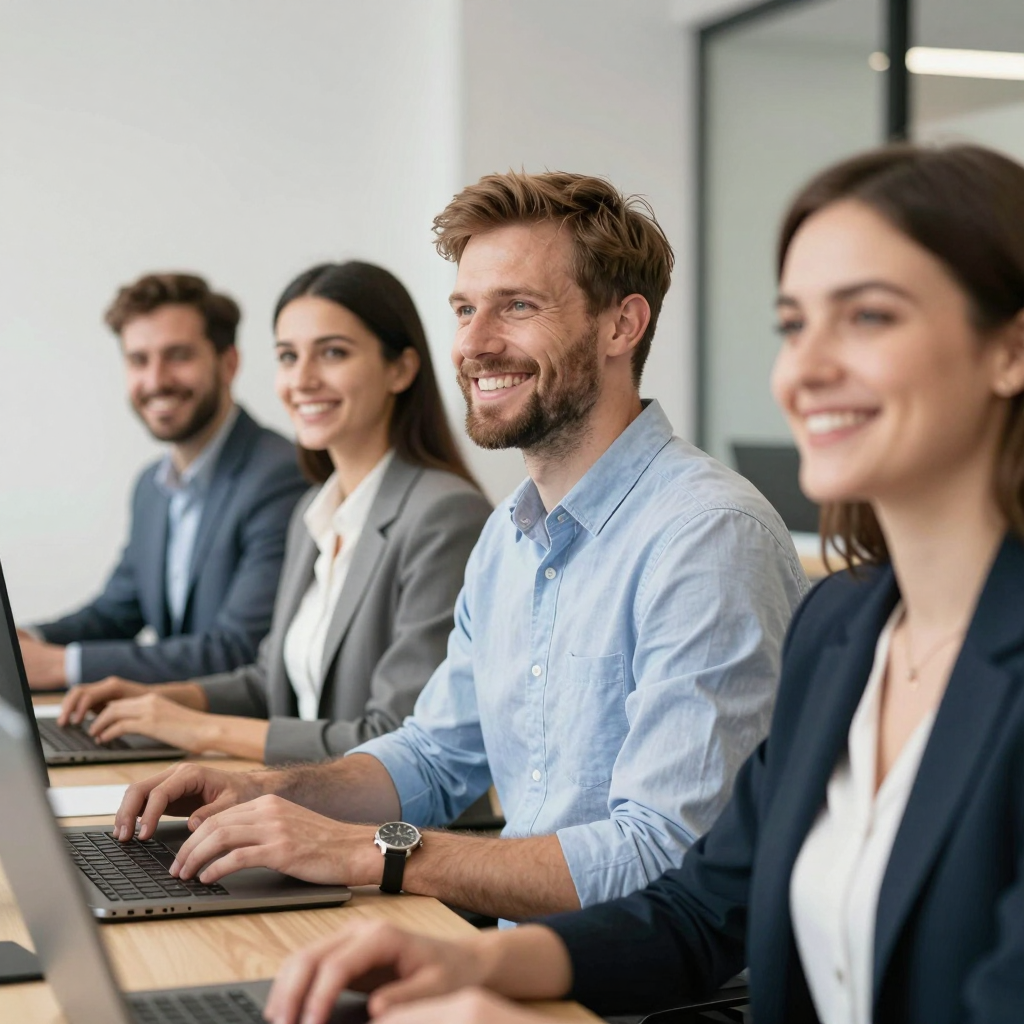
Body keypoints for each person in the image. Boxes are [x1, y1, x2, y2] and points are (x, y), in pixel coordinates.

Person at [262, 143, 1024, 1024]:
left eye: (869, 318)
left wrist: (386, 858)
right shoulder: (848, 630)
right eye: (792, 325)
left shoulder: (713, 533)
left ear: (1010, 350)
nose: (805, 371)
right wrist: (468, 964)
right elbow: (700, 911)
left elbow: (661, 859)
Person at [112, 171, 806, 923]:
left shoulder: (708, 538)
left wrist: (370, 853)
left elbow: (666, 856)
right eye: (464, 309)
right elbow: (434, 756)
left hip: (629, 992)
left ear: (621, 326)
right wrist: (270, 791)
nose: (473, 345)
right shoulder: (508, 535)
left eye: (517, 307)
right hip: (514, 958)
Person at [57, 262, 491, 764]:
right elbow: (271, 683)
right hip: (303, 807)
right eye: (288, 356)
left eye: (332, 352)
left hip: (394, 833)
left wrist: (198, 728)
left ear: (401, 368)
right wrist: (162, 700)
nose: (302, 380)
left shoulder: (443, 515)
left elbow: (397, 739)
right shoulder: (315, 509)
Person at [18, 272, 307, 688]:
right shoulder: (151, 488)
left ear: (229, 363)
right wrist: (26, 642)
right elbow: (115, 613)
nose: (155, 380)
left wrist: (58, 667)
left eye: (178, 355)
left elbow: (238, 649)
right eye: (139, 360)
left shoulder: (279, 475)